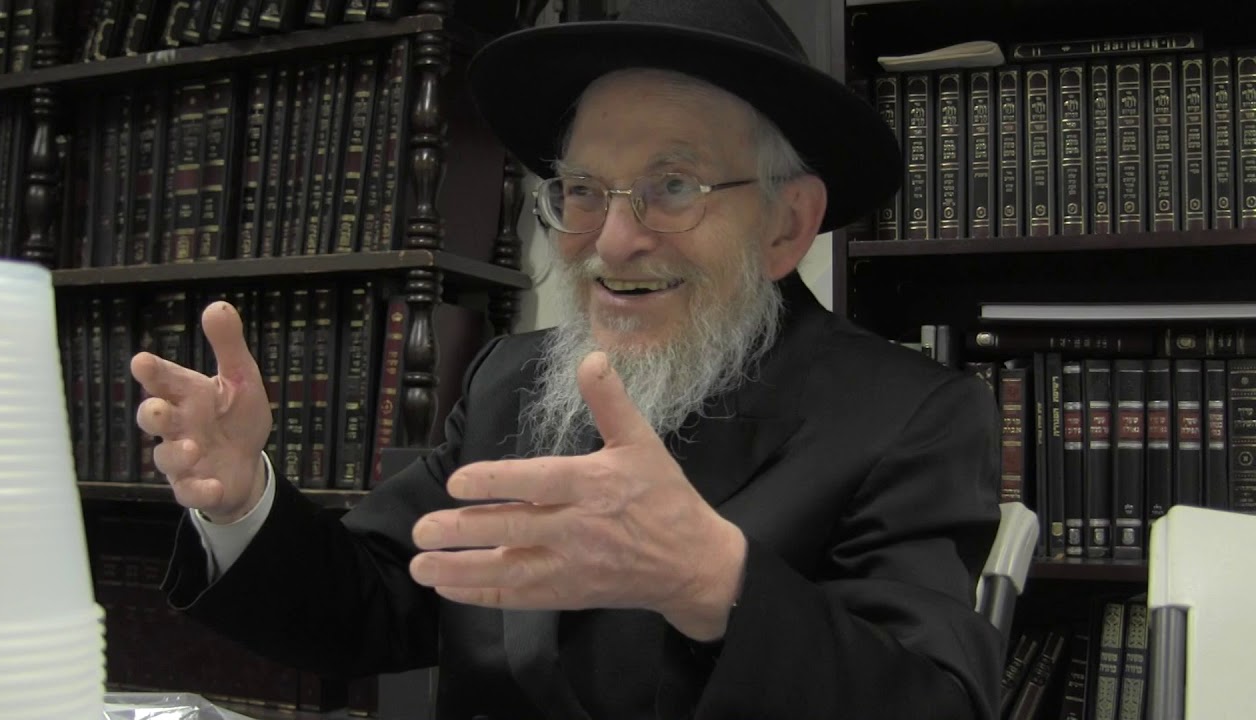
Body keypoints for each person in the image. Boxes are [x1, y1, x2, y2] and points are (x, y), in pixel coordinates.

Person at [130, 0, 1005, 718]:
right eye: (583, 190)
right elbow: (378, 598)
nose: (613, 241)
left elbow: (935, 702)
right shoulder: (511, 379)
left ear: (787, 225)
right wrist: (240, 500)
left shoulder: (907, 417)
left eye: (673, 187)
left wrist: (713, 581)